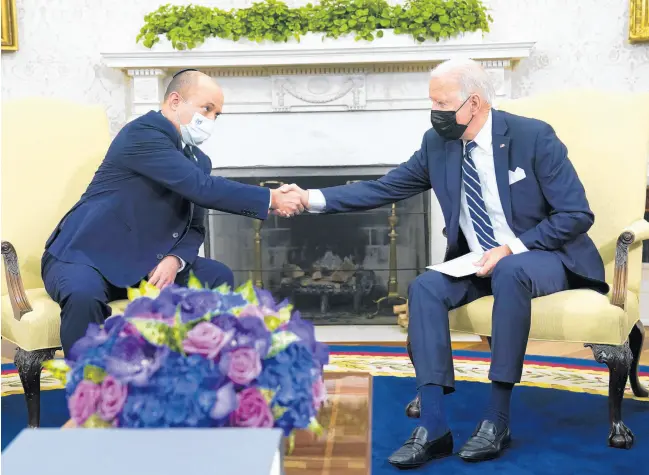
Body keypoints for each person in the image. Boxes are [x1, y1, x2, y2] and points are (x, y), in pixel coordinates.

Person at [279, 59, 607, 468]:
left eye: (442, 102)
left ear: (474, 102)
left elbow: (575, 215)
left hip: (542, 256)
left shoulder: (533, 137)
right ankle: (433, 427)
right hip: (477, 260)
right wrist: (310, 198)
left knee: (509, 269)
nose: (434, 111)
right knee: (426, 287)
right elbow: (385, 187)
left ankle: (497, 418)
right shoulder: (439, 144)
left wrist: (511, 248)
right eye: (431, 101)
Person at [42, 69, 303, 356]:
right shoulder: (143, 134)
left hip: (145, 263)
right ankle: (88, 389)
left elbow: (195, 227)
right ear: (175, 101)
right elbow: (201, 188)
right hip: (85, 255)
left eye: (217, 114)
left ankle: (194, 371)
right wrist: (270, 198)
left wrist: (175, 260)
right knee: (83, 296)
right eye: (207, 109)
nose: (211, 120)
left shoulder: (199, 160)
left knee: (217, 277)